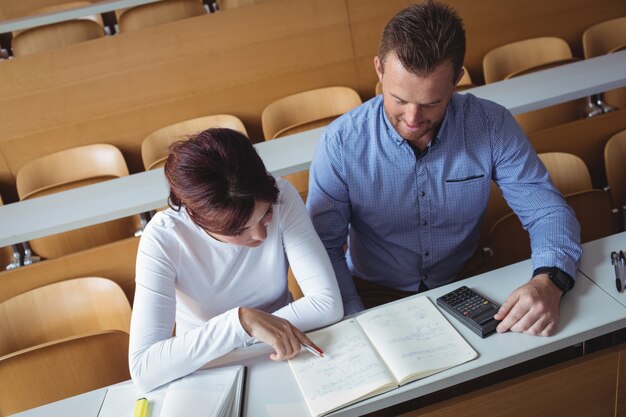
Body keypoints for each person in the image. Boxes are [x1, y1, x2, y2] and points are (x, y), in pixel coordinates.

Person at [307, 1, 581, 336]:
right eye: (399, 99)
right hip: (373, 291)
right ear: (379, 69)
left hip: (468, 279)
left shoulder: (491, 125)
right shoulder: (339, 144)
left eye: (431, 103)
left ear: (457, 79)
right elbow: (325, 248)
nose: (412, 118)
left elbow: (547, 211)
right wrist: (352, 318)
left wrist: (549, 280)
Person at [129, 128, 343, 392]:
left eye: (264, 215)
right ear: (198, 219)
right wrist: (242, 323)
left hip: (284, 351)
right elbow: (144, 368)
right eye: (238, 230)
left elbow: (327, 304)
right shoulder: (163, 238)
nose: (261, 235)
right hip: (208, 371)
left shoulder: (282, 196)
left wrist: (257, 330)